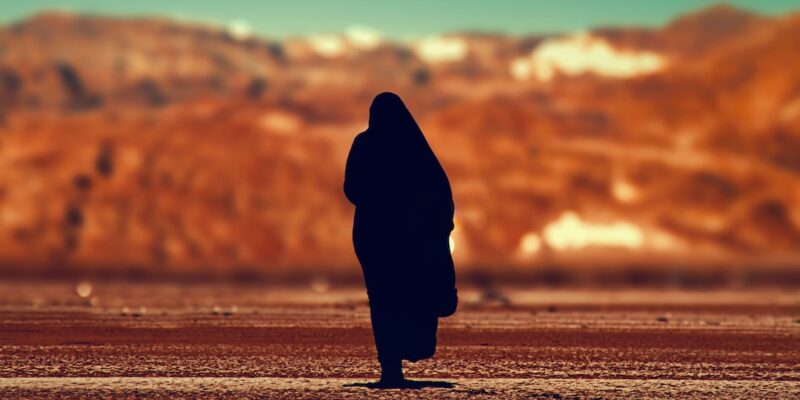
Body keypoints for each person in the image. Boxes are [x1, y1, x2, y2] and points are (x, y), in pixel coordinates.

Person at [344, 92, 458, 387]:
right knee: (401, 295)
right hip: (401, 240)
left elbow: (352, 190)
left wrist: (378, 197)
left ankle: (390, 367)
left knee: (382, 301)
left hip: (374, 237)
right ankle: (394, 365)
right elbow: (438, 193)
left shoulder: (365, 144)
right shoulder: (414, 148)